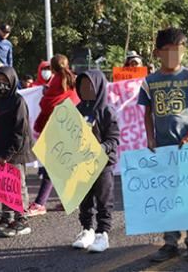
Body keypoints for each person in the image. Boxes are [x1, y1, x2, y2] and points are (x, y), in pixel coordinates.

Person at [138, 28, 188, 263]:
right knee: (167, 196)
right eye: (168, 51)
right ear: (158, 52)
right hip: (163, 149)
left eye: (177, 51)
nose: (173, 56)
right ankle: (170, 243)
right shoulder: (150, 81)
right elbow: (147, 113)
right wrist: (150, 137)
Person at [71, 69, 120, 253]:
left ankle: (102, 234)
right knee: (84, 200)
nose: (85, 89)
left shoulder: (107, 111)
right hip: (82, 164)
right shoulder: (77, 109)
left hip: (102, 164)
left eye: (89, 85)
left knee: (103, 200)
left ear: (98, 87)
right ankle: (86, 230)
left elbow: (114, 139)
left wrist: (101, 148)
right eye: (82, 86)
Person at [0, 66, 35, 237]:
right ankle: (7, 218)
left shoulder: (18, 101)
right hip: (0, 151)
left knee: (17, 185)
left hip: (15, 151)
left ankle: (22, 219)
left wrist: (8, 154)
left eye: (4, 81)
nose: (0, 84)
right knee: (3, 186)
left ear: (12, 81)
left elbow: (19, 132)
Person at [27, 54, 80, 217]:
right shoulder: (73, 80)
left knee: (52, 167)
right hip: (71, 127)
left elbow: (48, 104)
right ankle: (71, 200)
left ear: (53, 68)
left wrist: (45, 96)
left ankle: (40, 203)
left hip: (56, 129)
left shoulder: (57, 82)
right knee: (63, 165)